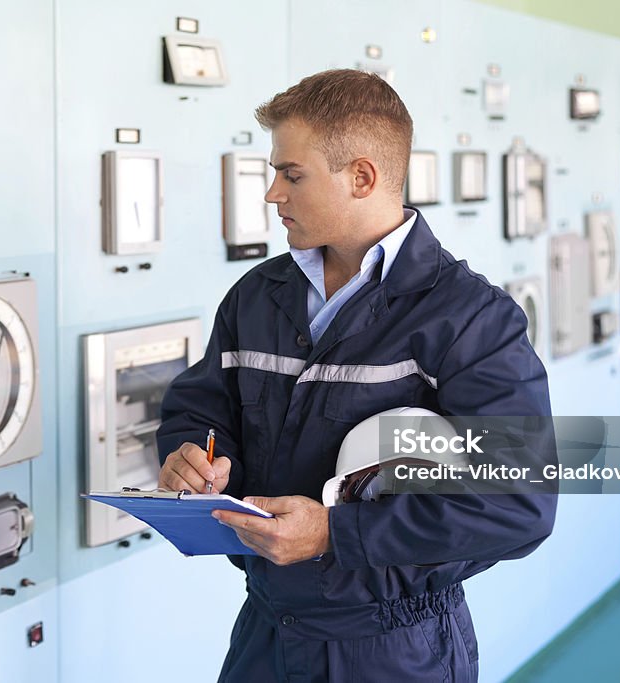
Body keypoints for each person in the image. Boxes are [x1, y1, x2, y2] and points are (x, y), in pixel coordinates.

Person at [156, 69, 556, 683]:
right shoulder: (255, 297)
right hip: (266, 633)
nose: (272, 194)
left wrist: (334, 535)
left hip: (395, 648)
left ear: (362, 177)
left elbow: (520, 504)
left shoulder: (470, 319)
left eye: (291, 175)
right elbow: (204, 407)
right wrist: (194, 453)